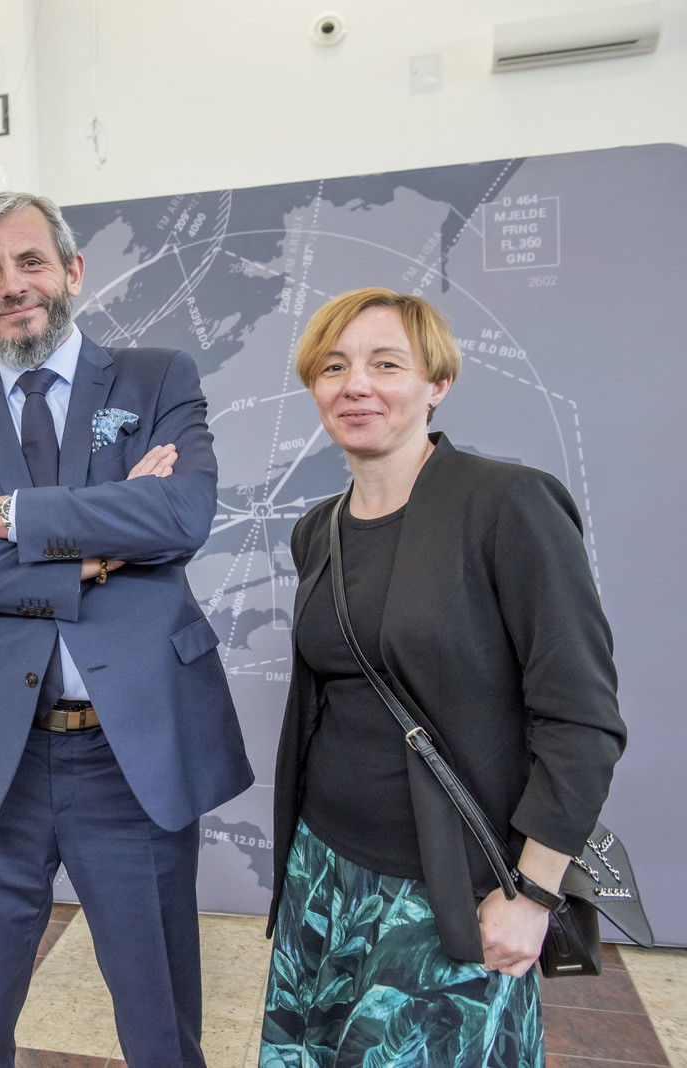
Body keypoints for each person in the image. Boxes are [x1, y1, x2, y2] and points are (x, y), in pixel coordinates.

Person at [0, 191, 253, 1067]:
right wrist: (89, 551)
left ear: (72, 271)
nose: (12, 285)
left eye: (30, 262)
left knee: (161, 1032)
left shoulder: (158, 379)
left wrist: (4, 515)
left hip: (130, 758)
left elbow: (179, 516)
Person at [261, 287, 627, 1066]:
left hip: (452, 889)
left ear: (438, 384)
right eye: (334, 366)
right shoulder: (316, 530)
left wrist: (533, 893)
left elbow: (582, 720)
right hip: (324, 872)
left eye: (386, 364)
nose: (356, 385)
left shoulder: (508, 504)